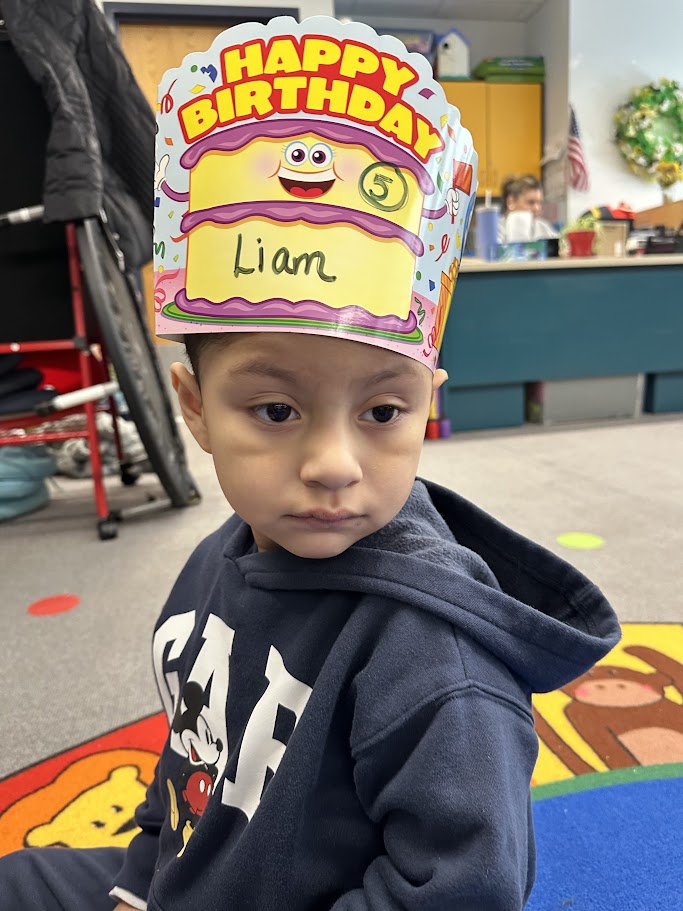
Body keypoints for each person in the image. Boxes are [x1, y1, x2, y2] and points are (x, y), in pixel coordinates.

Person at [0, 16, 620, 911]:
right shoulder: (218, 558)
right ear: (193, 408)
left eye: (382, 412)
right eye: (276, 410)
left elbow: (459, 893)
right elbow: (190, 759)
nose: (333, 464)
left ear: (426, 403)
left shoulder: (436, 664)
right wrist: (140, 874)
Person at [498, 175, 558, 242]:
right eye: (531, 202)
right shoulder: (496, 230)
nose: (537, 208)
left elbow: (561, 245)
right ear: (511, 202)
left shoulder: (543, 228)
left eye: (539, 203)